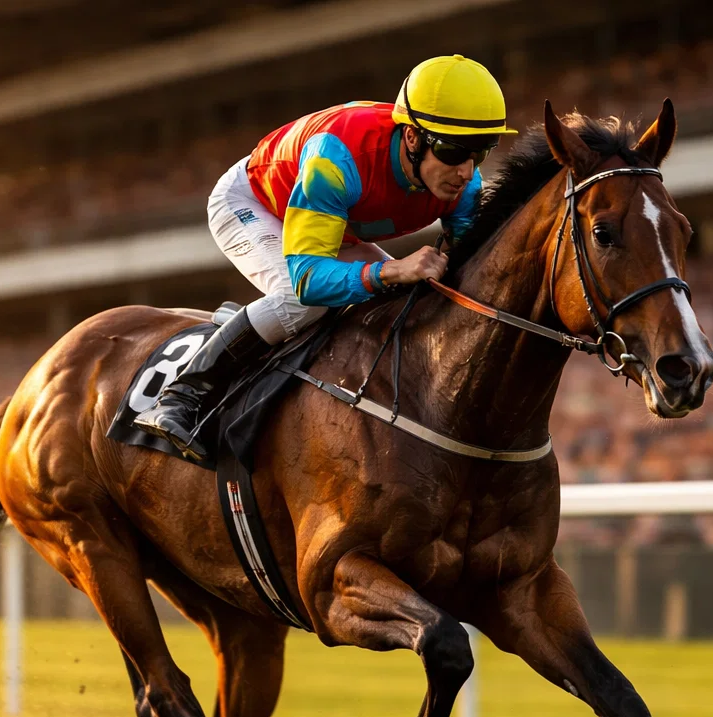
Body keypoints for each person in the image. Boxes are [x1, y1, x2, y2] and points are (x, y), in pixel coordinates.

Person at [134, 54, 515, 460]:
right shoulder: (337, 158)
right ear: (412, 138)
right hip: (257, 204)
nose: (465, 171)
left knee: (411, 296)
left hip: (337, 220)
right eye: (454, 152)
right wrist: (390, 269)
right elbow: (309, 279)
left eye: (482, 152)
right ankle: (182, 394)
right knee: (301, 303)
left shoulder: (464, 183)